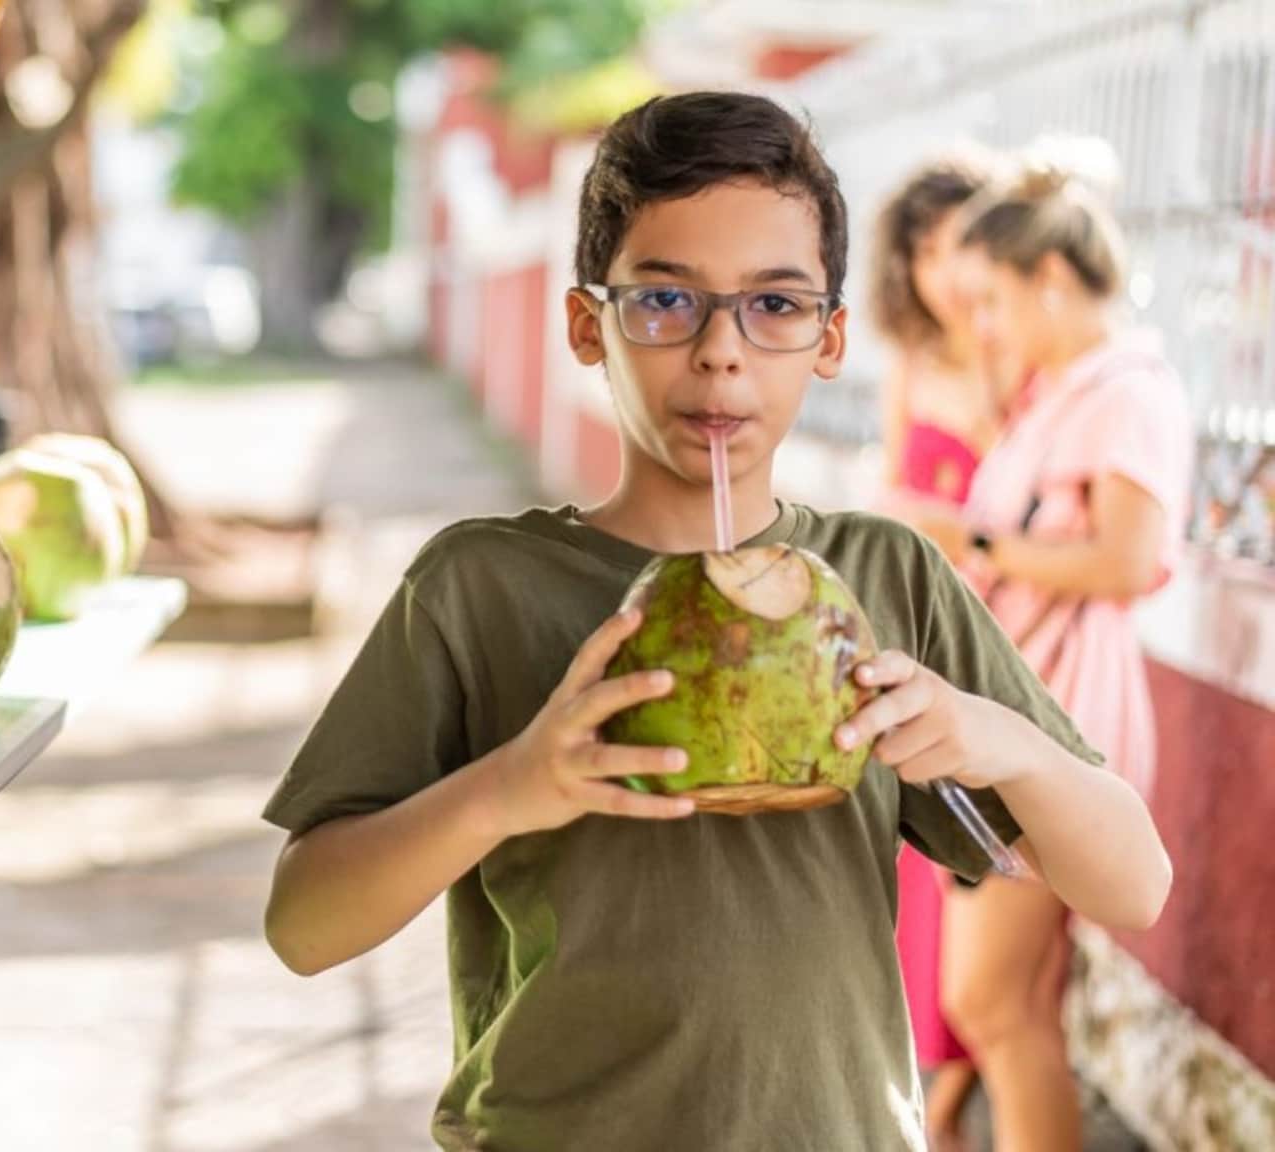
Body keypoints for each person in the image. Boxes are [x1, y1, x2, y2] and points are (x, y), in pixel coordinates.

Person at [259, 91, 1171, 1152]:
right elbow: (302, 928)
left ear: (829, 338)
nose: (719, 353)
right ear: (583, 325)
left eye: (774, 306)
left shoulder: (884, 578)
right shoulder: (482, 587)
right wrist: (509, 787)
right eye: (663, 301)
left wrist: (1001, 741)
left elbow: (1134, 886)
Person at [908, 152, 1193, 1152]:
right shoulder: (1063, 393)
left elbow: (1125, 559)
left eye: (994, 301)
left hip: (1057, 723)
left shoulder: (1124, 394)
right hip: (1019, 713)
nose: (984, 328)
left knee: (989, 1003)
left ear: (1052, 280)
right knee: (1010, 1006)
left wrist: (968, 541)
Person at [866, 148, 1008, 1152]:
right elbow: (888, 496)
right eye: (921, 248)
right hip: (922, 632)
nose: (941, 267)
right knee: (918, 869)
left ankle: (954, 1094)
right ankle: (931, 1089)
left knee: (989, 868)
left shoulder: (1016, 361)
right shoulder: (909, 365)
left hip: (1000, 643)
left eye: (957, 241)